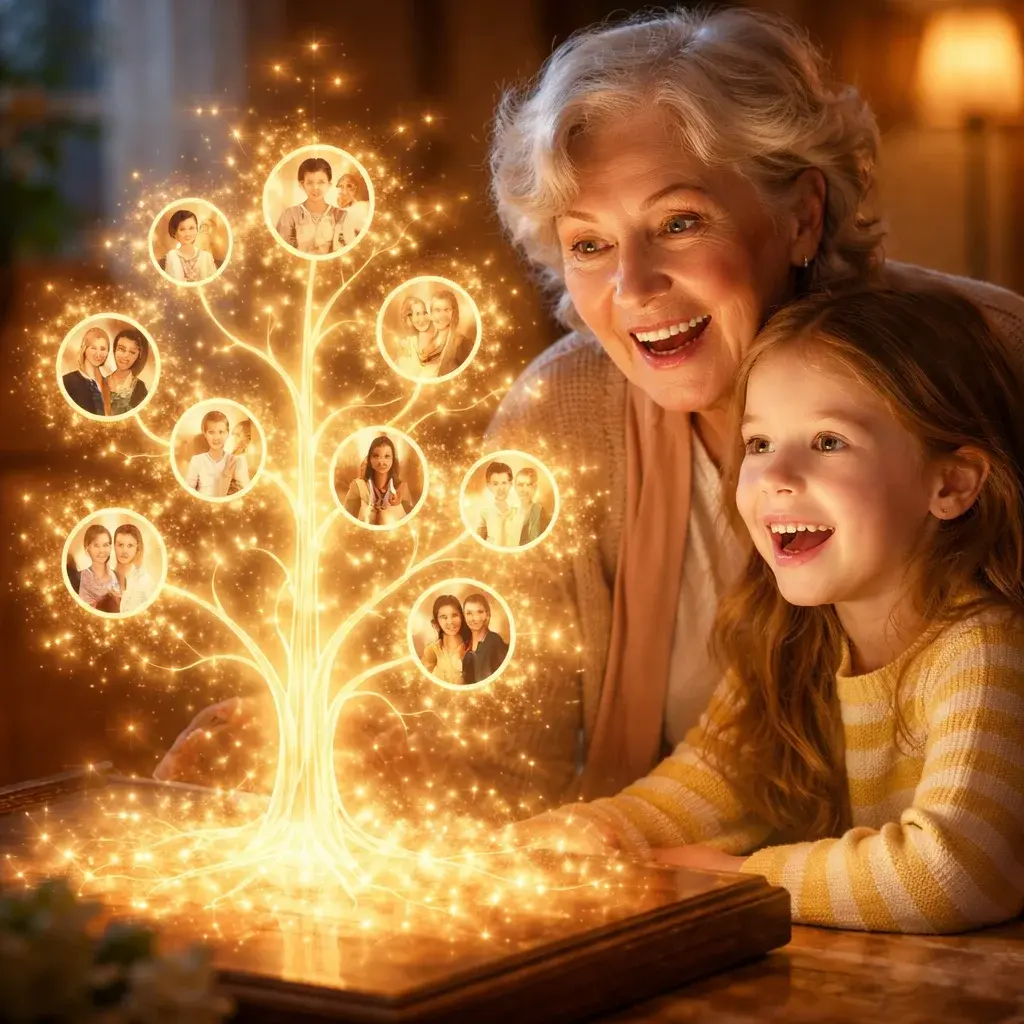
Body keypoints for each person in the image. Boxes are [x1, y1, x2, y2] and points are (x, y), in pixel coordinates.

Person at [154, 7, 1024, 802]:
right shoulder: (559, 412)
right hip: (696, 894)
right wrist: (346, 750)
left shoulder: (997, 358)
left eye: (679, 223)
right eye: (590, 245)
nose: (633, 288)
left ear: (801, 215)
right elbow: (499, 752)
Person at [522, 285, 1024, 934]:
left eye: (828, 442)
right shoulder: (792, 635)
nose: (776, 476)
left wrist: (739, 879)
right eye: (758, 444)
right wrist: (581, 834)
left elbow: (954, 873)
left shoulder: (984, 648)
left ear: (950, 484)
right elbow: (704, 788)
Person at [275, 157, 346, 255]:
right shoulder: (289, 215)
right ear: (302, 185)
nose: (315, 187)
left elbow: (343, 253)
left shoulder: (341, 215)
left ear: (329, 185)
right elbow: (283, 252)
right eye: (309, 183)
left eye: (321, 182)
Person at [341, 435, 414, 526]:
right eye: (376, 456)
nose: (381, 462)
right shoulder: (358, 486)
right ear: (369, 459)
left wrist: (396, 506)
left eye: (387, 456)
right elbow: (346, 521)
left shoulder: (402, 488)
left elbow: (411, 522)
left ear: (393, 459)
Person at [184, 410, 250, 498]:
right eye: (211, 432)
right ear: (205, 434)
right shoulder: (197, 460)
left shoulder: (237, 460)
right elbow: (188, 493)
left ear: (227, 433)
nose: (216, 438)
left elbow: (245, 493)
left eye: (221, 432)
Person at [421, 595, 472, 686]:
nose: (450, 622)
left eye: (454, 615)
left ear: (462, 617)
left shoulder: (473, 647)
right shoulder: (432, 650)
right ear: (437, 622)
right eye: (443, 617)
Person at [462, 593, 510, 685]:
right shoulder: (465, 645)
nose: (474, 618)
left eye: (480, 612)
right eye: (469, 613)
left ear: (487, 614)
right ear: (464, 616)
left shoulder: (495, 642)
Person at [62, 326, 111, 416]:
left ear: (108, 352)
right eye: (93, 348)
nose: (98, 354)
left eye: (103, 349)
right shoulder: (67, 381)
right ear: (84, 349)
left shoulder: (109, 384)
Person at [111, 523, 156, 615]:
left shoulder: (145, 580)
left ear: (137, 548)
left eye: (130, 545)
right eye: (120, 545)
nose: (124, 550)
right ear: (114, 546)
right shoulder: (104, 577)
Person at [394, 295, 442, 378]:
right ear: (409, 319)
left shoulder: (438, 336)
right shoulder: (407, 344)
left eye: (424, 313)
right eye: (417, 314)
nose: (422, 319)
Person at [164, 209, 218, 283]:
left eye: (191, 228)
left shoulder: (207, 257)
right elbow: (168, 284)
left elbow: (215, 283)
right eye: (182, 229)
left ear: (197, 229)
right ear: (174, 233)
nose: (188, 234)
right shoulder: (171, 256)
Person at [105, 328, 150, 415]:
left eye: (132, 352)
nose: (125, 356)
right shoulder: (99, 383)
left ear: (138, 356)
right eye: (121, 349)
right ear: (114, 350)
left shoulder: (140, 388)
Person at [74, 523, 120, 608]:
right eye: (96, 545)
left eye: (105, 545)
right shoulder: (79, 578)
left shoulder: (117, 576)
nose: (101, 550)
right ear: (87, 548)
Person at [477, 462, 522, 547]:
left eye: (504, 483)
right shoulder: (484, 513)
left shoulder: (520, 511)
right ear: (488, 486)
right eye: (495, 484)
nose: (500, 488)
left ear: (510, 484)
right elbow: (479, 543)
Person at [429, 289, 473, 376]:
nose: (441, 316)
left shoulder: (462, 343)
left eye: (447, 310)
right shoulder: (429, 341)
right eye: (437, 310)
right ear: (431, 313)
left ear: (454, 312)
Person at [332, 171, 370, 247]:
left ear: (356, 189)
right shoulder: (332, 211)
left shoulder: (362, 208)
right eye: (341, 187)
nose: (344, 192)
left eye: (349, 187)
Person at [514, 467, 550, 545]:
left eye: (528, 485)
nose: (524, 490)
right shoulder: (510, 512)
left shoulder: (539, 512)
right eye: (520, 485)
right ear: (515, 487)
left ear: (535, 488)